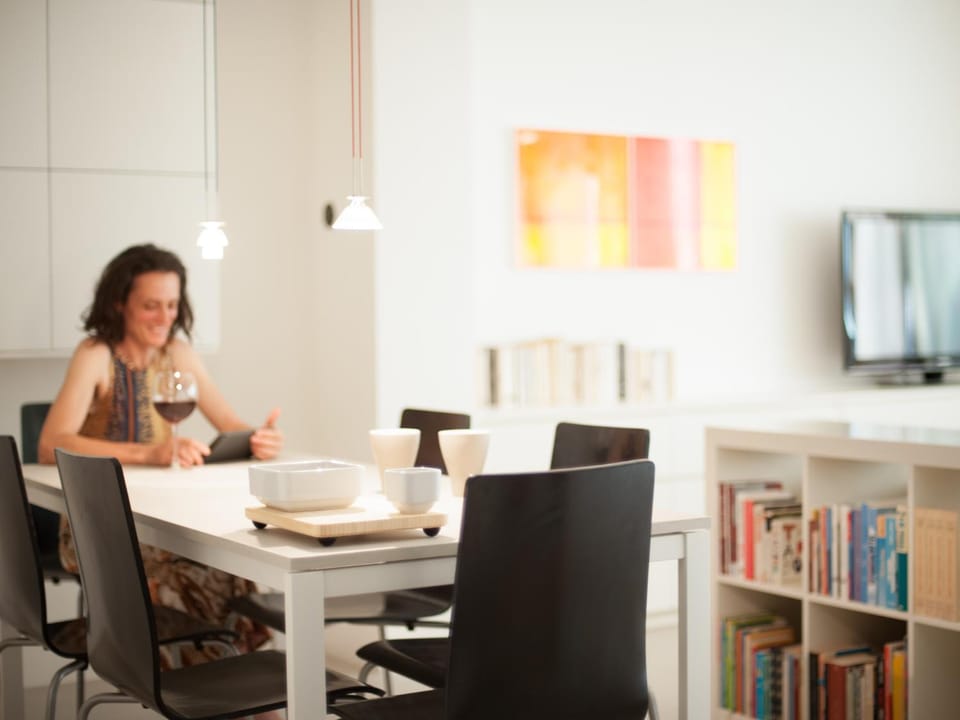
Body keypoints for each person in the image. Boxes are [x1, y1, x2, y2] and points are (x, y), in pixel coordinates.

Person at [38, 243, 283, 665]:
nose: (165, 317)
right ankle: (218, 693)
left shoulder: (179, 354)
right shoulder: (95, 355)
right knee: (204, 568)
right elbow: (51, 443)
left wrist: (258, 439)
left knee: (228, 562)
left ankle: (230, 693)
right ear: (119, 303)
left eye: (172, 305)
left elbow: (231, 426)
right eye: (151, 305)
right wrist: (150, 453)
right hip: (96, 527)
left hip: (160, 517)